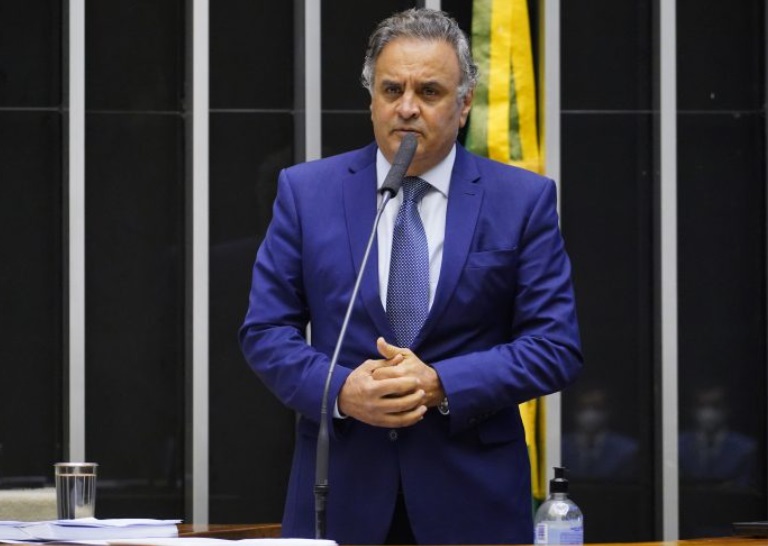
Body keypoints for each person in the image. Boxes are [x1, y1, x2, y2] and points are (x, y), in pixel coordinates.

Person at [240, 8, 582, 545]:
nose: (407, 108)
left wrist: (441, 382)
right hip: (343, 492)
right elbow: (265, 332)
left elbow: (555, 346)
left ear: (464, 103)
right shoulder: (308, 193)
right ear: (371, 98)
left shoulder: (522, 201)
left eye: (429, 91)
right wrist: (341, 390)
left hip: (474, 500)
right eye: (391, 89)